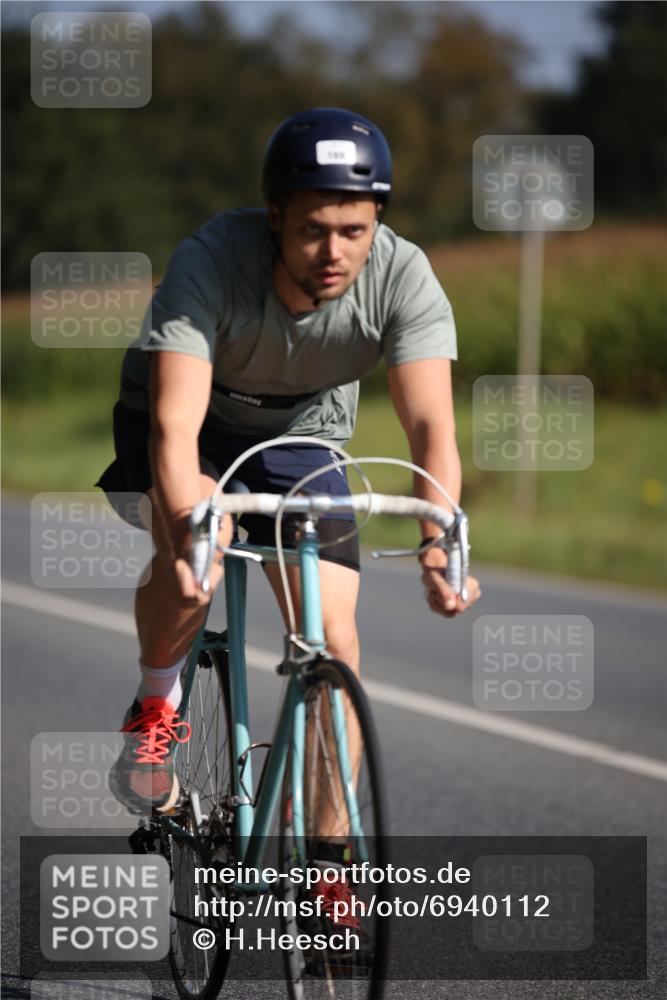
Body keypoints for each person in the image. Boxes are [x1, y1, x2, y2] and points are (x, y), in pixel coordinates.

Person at [96, 106, 480, 819]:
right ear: (274, 217)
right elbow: (175, 426)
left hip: (300, 433)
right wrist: (188, 532)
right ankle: (155, 709)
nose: (333, 252)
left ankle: (329, 861)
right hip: (193, 419)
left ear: (375, 223)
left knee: (334, 646)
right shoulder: (210, 261)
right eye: (311, 230)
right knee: (190, 568)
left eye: (352, 231)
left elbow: (430, 424)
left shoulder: (403, 277)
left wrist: (437, 543)